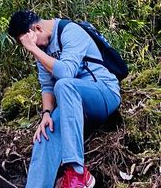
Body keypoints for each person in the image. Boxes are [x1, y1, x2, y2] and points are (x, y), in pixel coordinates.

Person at [8, 10, 121, 188]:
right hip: (73, 106)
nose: (29, 48)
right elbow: (47, 86)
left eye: (29, 42)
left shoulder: (70, 32)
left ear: (36, 28)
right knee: (44, 134)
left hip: (104, 93)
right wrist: (46, 114)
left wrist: (34, 49)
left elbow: (66, 73)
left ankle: (77, 172)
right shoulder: (42, 48)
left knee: (64, 84)